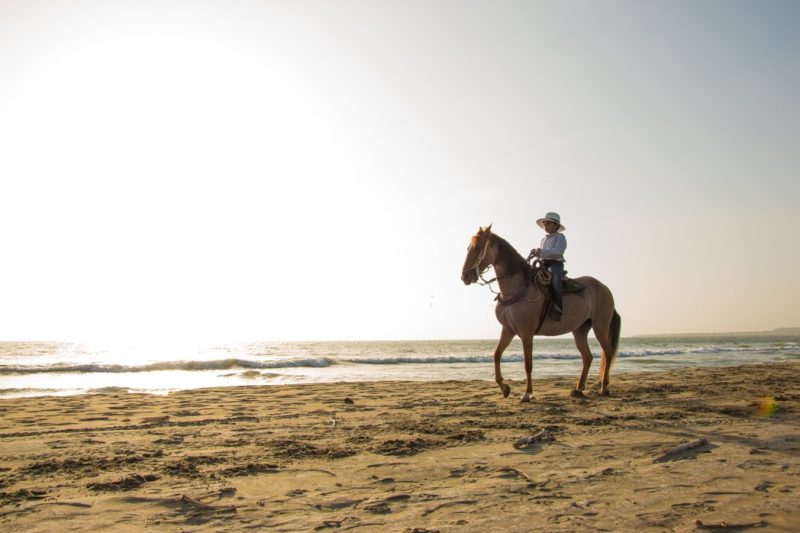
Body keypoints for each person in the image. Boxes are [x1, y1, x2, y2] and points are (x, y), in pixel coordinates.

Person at [532, 212, 567, 320]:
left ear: (556, 226)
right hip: (544, 264)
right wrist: (537, 253)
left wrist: (542, 251)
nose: (545, 226)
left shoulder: (560, 237)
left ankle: (558, 307)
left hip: (555, 264)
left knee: (555, 281)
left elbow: (558, 251)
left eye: (548, 223)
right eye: (545, 223)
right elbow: (543, 253)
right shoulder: (543, 239)